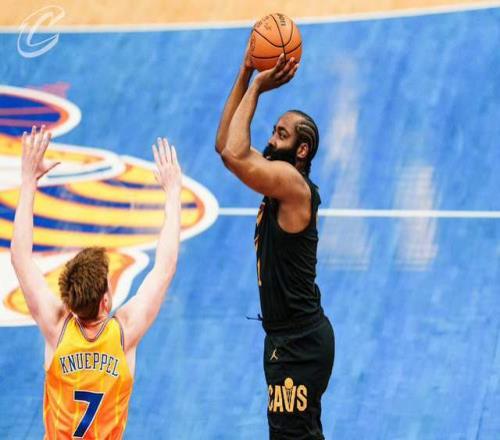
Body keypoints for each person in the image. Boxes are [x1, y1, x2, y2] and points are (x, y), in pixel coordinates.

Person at [10, 126, 181, 439]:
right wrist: (172, 193)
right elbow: (165, 267)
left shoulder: (56, 327)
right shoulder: (124, 333)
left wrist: (28, 181)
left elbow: (20, 257)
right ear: (105, 300)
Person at [215, 43, 335, 439]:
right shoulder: (277, 180)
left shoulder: (292, 184)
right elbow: (225, 146)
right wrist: (245, 72)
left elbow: (235, 154)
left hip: (300, 341)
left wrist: (258, 88)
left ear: (302, 150)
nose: (270, 139)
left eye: (280, 134)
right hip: (285, 338)